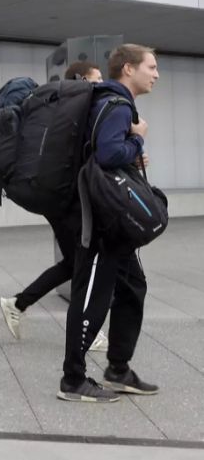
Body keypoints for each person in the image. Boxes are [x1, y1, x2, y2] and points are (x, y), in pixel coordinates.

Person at [58, 44, 159, 402]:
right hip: (102, 220)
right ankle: (73, 379)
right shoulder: (115, 105)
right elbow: (108, 153)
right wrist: (136, 139)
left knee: (133, 286)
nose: (156, 74)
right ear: (128, 69)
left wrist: (131, 145)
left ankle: (118, 368)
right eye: (151, 66)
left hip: (113, 221)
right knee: (91, 298)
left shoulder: (112, 103)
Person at [0, 61, 108, 353]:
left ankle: (18, 303)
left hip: (53, 193)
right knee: (86, 261)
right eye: (97, 78)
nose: (100, 83)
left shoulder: (59, 106)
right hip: (68, 197)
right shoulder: (78, 105)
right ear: (83, 78)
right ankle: (88, 331)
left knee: (74, 261)